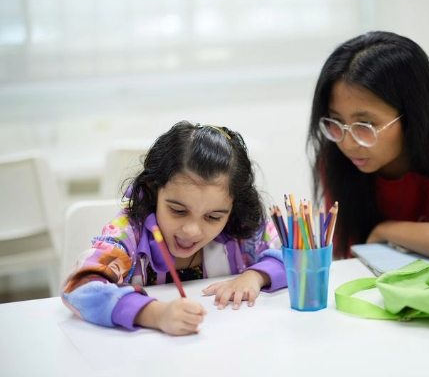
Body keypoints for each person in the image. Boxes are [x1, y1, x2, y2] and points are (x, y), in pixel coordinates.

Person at [61, 121, 286, 336]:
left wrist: (256, 276)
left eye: (213, 217)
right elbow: (79, 286)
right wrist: (155, 314)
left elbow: (301, 253)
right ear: (154, 189)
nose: (192, 230)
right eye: (178, 211)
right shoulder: (129, 233)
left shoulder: (241, 229)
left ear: (233, 207)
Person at [307, 31, 429, 267]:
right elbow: (350, 263)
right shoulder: (336, 156)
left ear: (413, 116)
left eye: (366, 125)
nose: (348, 143)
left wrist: (386, 231)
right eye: (336, 122)